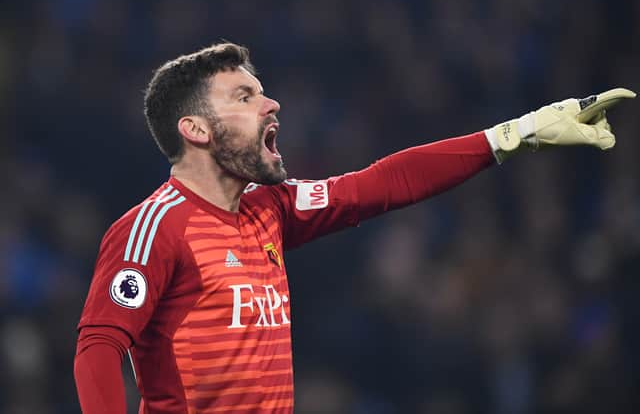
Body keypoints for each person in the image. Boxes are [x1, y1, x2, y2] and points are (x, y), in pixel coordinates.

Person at [74, 42, 634, 414]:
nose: (272, 102)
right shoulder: (153, 229)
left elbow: (384, 182)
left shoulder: (271, 207)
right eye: (244, 96)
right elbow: (99, 347)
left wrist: (521, 132)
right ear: (195, 129)